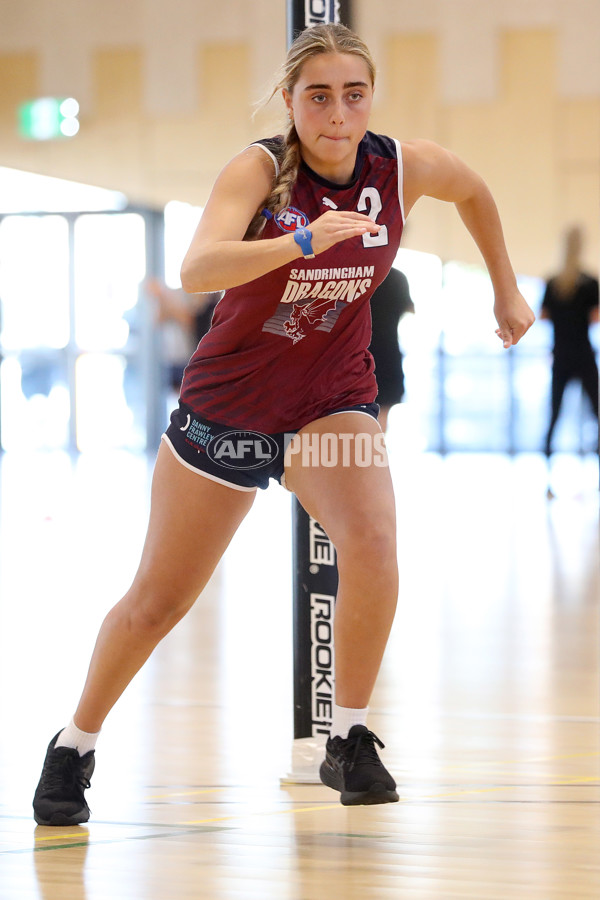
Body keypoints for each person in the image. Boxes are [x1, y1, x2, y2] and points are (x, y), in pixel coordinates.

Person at [33, 23, 535, 823]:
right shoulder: (260, 171)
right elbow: (197, 268)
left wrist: (505, 289)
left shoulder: (400, 168)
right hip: (231, 404)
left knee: (372, 543)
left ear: (371, 98)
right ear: (293, 102)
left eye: (354, 95)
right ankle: (74, 745)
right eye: (319, 96)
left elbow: (473, 188)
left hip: (330, 399)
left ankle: (351, 736)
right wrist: (300, 240)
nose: (338, 113)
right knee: (157, 602)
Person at [541, 226, 599, 460]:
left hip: (561, 355)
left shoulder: (553, 283)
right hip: (583, 355)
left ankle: (547, 473)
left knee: (554, 414)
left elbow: (543, 315)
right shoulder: (590, 282)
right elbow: (595, 318)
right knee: (597, 412)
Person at [146, 278, 223, 391]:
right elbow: (159, 320)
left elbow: (191, 321)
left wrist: (163, 296)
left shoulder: (211, 297)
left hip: (192, 357)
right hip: (176, 357)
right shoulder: (179, 293)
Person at [368, 267, 415, 432]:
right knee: (380, 422)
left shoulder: (356, 276)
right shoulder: (396, 277)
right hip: (387, 355)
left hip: (361, 355)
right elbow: (410, 309)